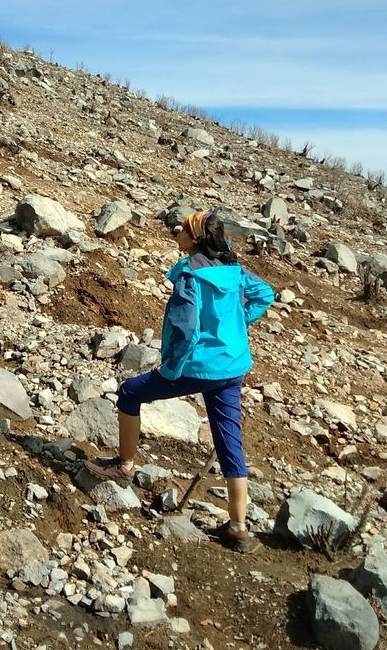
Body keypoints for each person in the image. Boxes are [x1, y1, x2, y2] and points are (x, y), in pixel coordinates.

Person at [91, 209, 275, 550]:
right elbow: (266, 294)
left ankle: (124, 464)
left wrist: (171, 370)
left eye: (183, 230)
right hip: (232, 367)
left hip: (198, 367)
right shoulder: (234, 271)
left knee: (130, 393)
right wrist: (236, 325)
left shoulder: (190, 276)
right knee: (229, 441)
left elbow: (186, 332)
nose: (177, 233)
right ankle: (238, 526)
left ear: (195, 239)